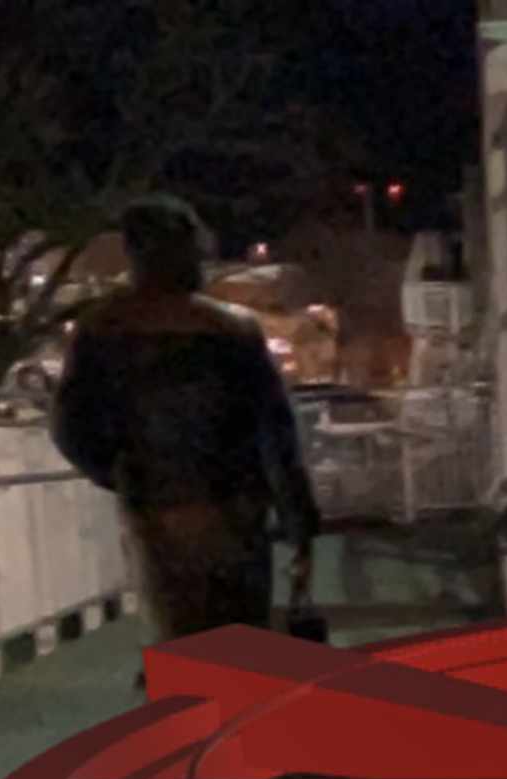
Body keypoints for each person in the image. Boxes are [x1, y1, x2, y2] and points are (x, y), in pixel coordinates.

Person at [50, 196, 320, 683]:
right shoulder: (232, 330)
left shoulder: (101, 330)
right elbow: (277, 434)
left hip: (155, 509)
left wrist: (121, 472)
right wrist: (298, 517)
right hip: (235, 509)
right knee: (242, 639)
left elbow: (71, 427)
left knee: (177, 630)